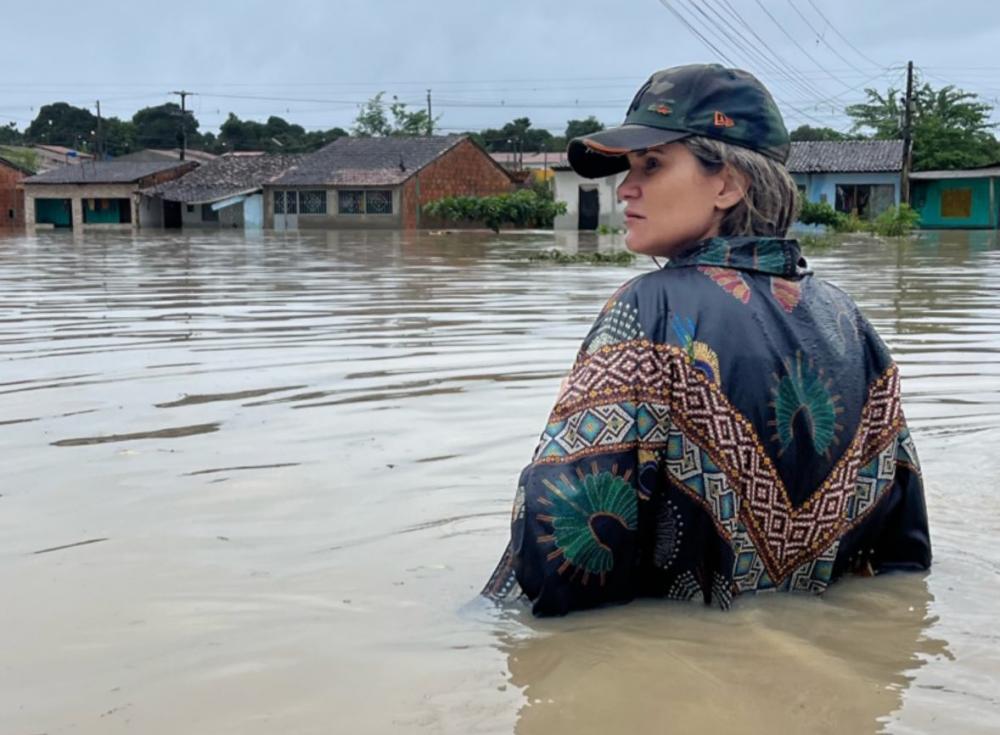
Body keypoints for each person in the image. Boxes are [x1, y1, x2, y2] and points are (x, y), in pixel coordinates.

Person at [483, 64, 931, 617]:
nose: (625, 188)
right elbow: (902, 553)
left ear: (728, 184)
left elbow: (562, 556)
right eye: (628, 168)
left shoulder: (648, 311)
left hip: (660, 684)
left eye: (651, 164)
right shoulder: (850, 322)